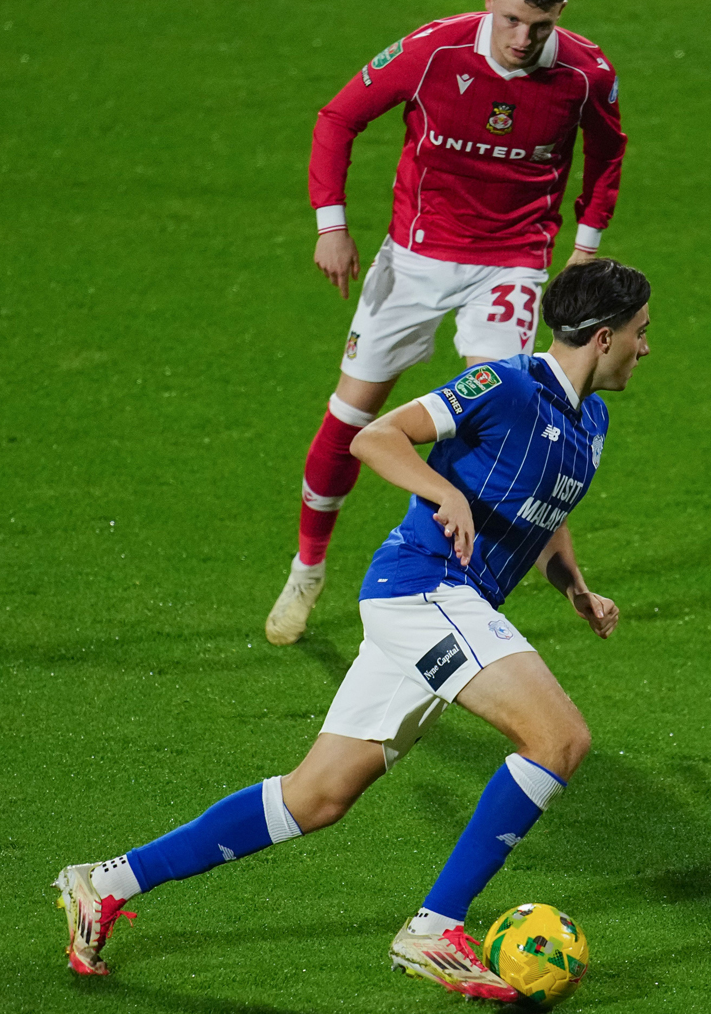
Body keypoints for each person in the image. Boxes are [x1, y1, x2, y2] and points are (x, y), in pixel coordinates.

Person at [56, 260, 652, 1000]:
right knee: (560, 739)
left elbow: (547, 515)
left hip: (453, 606)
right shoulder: (505, 385)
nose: (644, 348)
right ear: (602, 337)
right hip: (424, 590)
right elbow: (377, 437)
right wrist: (442, 492)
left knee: (317, 798)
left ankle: (104, 881)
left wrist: (575, 588)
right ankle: (435, 929)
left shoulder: (589, 422)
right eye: (639, 333)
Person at [266, 0, 628, 645]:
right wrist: (330, 224)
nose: (524, 39)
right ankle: (309, 567)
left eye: (542, 25)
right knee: (349, 417)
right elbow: (338, 118)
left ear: (561, 15)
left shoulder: (587, 73)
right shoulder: (432, 51)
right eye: (513, 19)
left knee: (508, 413)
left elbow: (608, 152)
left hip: (513, 263)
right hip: (415, 258)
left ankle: (467, 578)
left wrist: (585, 242)